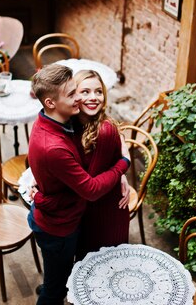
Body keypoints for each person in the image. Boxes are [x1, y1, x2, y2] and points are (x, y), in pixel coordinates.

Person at [27, 63, 130, 305]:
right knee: (54, 291)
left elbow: (98, 158)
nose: (82, 99)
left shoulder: (53, 121)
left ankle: (59, 279)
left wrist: (121, 163)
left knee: (69, 274)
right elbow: (89, 187)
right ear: (50, 103)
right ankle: (58, 283)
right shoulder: (58, 139)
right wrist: (123, 163)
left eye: (96, 91)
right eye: (75, 93)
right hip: (60, 225)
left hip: (80, 214)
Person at [72, 69, 130, 259]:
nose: (94, 97)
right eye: (85, 91)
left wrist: (124, 164)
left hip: (103, 211)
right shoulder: (73, 123)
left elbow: (90, 187)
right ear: (73, 95)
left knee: (98, 266)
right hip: (86, 208)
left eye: (98, 91)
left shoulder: (104, 130)